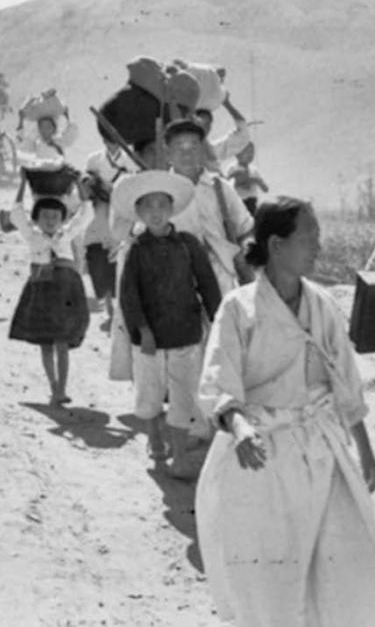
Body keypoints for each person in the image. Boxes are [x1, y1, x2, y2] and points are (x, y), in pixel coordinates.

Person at [195, 197, 375, 627]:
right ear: (277, 245)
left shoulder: (322, 305)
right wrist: (240, 428)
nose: (317, 246)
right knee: (270, 581)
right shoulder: (239, 309)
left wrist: (365, 450)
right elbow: (218, 380)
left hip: (321, 449)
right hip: (261, 457)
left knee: (347, 566)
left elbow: (345, 382)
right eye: (309, 237)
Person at [116, 171, 221, 479]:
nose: (156, 212)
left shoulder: (189, 245)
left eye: (162, 205)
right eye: (148, 207)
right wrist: (143, 331)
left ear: (172, 209)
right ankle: (153, 436)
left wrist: (219, 322)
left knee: (184, 395)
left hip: (186, 333)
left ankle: (180, 457)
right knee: (150, 391)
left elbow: (208, 285)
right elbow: (129, 297)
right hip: (149, 340)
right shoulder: (135, 250)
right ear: (139, 213)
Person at [7, 170, 91, 406]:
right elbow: (17, 212)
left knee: (62, 341)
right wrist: (22, 183)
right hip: (41, 289)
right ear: (37, 218)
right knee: (46, 342)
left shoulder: (66, 234)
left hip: (65, 290)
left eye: (55, 216)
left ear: (62, 218)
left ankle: (62, 388)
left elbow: (86, 212)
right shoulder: (32, 234)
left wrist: (77, 184)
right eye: (45, 216)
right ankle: (53, 386)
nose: (51, 220)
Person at [167, 119, 254, 295]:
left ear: (202, 151)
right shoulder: (160, 193)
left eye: (193, 146)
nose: (187, 153)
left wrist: (245, 253)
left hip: (223, 281)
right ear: (168, 154)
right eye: (179, 147)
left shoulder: (220, 187)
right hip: (177, 286)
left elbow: (246, 229)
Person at [82, 126, 136, 320]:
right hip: (100, 212)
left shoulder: (131, 159)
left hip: (122, 211)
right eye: (108, 138)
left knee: (122, 254)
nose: (111, 142)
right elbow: (86, 181)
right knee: (98, 256)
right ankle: (108, 304)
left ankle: (120, 303)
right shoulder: (94, 159)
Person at [224, 141, 269, 215]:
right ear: (237, 154)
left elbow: (265, 189)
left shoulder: (254, 170)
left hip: (252, 201)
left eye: (252, 152)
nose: (250, 155)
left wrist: (256, 180)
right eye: (247, 152)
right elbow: (225, 184)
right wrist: (234, 176)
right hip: (239, 201)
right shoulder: (232, 168)